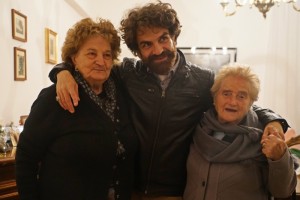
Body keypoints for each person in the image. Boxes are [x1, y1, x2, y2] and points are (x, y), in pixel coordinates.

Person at [48, 1, 289, 199]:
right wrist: (61, 70)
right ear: (137, 50)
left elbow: (238, 102)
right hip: (129, 189)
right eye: (147, 44)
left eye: (163, 38)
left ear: (174, 36)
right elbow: (93, 64)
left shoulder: (203, 79)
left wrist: (274, 120)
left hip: (174, 193)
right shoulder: (128, 74)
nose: (158, 49)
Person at [15, 18, 138, 200]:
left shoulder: (122, 94)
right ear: (74, 58)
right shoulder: (54, 98)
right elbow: (26, 158)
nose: (100, 61)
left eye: (107, 55)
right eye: (91, 54)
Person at [184, 65, 297, 200]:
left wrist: (279, 158)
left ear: (251, 102)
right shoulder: (197, 126)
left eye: (242, 96)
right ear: (214, 97)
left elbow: (282, 192)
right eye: (226, 93)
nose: (233, 102)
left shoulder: (265, 136)